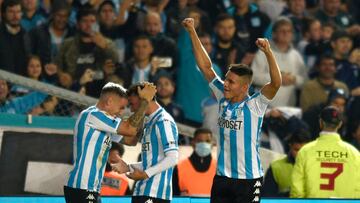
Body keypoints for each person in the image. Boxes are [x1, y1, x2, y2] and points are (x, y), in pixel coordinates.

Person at [182, 17, 282, 203]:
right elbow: (206, 67)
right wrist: (191, 32)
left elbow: (276, 83)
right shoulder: (221, 95)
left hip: (249, 181)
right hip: (222, 178)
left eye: (231, 82)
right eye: (226, 79)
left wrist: (268, 52)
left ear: (244, 87)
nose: (225, 84)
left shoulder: (255, 105)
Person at [64, 82, 157, 203]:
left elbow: (131, 139)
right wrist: (144, 101)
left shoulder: (105, 124)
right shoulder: (93, 115)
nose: (122, 112)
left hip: (91, 188)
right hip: (82, 186)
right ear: (109, 102)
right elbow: (129, 130)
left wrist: (144, 108)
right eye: (121, 107)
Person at [113, 82, 179, 203]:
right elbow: (152, 161)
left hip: (154, 194)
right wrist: (129, 167)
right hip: (142, 191)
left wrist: (145, 175)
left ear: (144, 99)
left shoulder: (164, 121)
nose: (131, 109)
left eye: (132, 104)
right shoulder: (149, 123)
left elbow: (172, 158)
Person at [290, 106, 360, 198]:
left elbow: (297, 191)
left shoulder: (305, 151)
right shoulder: (354, 153)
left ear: (321, 123)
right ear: (340, 124)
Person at [262, 129, 311, 197]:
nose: (300, 154)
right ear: (290, 146)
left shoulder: (317, 166)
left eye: (304, 150)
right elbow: (267, 198)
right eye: (296, 150)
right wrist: (288, 194)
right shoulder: (275, 168)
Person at [172, 128, 216, 197]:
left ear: (212, 144)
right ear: (192, 143)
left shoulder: (219, 169)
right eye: (199, 141)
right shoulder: (179, 168)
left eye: (207, 141)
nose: (204, 144)